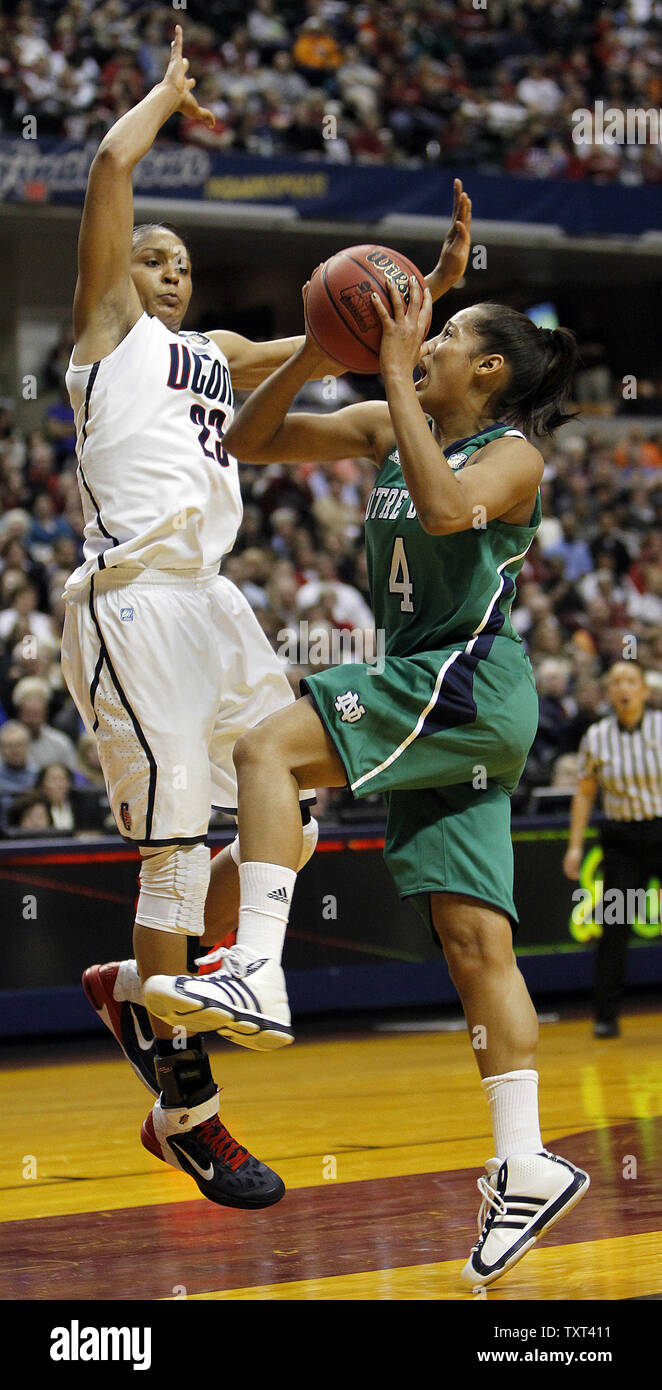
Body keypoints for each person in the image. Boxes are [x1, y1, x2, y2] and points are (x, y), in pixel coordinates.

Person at [61, 25, 470, 1210]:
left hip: (218, 608)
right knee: (176, 852)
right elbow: (106, 171)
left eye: (182, 260)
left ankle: (154, 983)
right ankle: (186, 1113)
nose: (169, 269)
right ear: (118, 277)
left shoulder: (213, 355)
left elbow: (328, 340)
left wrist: (421, 295)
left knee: (303, 786)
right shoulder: (104, 342)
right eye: (151, 257)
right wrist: (165, 99)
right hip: (134, 604)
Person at [144, 277, 590, 1290]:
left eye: (443, 339)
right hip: (446, 704)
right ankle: (521, 1159)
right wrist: (311, 351)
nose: (422, 344)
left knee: (266, 748)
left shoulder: (508, 453)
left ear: (486, 372)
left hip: (462, 682)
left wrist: (391, 373)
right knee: (474, 943)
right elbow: (253, 441)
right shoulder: (387, 424)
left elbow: (442, 512)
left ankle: (257, 964)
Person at [563, 660, 662, 1037]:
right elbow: (585, 793)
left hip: (660, 829)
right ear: (608, 692)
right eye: (616, 681)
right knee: (615, 925)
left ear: (644, 690)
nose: (623, 688)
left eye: (630, 681)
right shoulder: (597, 736)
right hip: (622, 840)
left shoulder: (660, 726)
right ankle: (606, 1016)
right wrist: (574, 846)